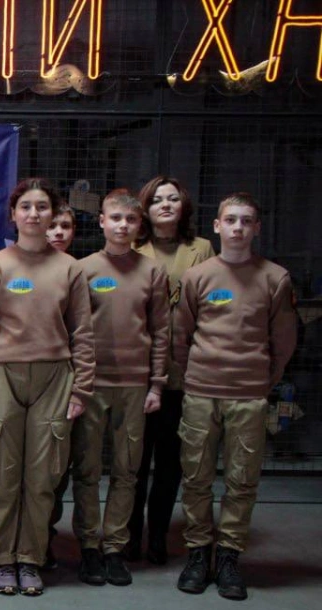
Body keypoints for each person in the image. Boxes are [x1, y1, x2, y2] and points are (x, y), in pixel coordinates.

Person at [0, 177, 94, 597]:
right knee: (2, 475)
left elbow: (83, 333)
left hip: (55, 379)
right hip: (2, 376)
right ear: (13, 214)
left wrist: (81, 389)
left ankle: (30, 559)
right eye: (26, 207)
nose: (34, 214)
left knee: (42, 476)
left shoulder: (70, 268)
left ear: (53, 214)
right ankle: (4, 559)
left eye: (42, 207)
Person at [173, 192, 296, 601]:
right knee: (196, 478)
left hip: (249, 395)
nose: (238, 228)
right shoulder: (197, 276)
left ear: (256, 228)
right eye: (231, 220)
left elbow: (283, 340)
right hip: (201, 392)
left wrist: (262, 381)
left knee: (242, 480)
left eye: (246, 221)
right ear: (217, 226)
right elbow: (180, 334)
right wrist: (194, 373)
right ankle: (198, 553)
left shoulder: (275, 278)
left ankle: (228, 557)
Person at [69, 190, 169, 588]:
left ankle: (114, 547)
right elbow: (74, 330)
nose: (122, 226)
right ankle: (89, 546)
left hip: (134, 385)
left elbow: (161, 331)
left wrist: (156, 384)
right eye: (115, 218)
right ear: (102, 221)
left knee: (127, 470)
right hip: (92, 385)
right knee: (87, 469)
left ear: (139, 225)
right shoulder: (83, 269)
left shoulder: (152, 271)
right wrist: (78, 383)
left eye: (130, 220)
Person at [128, 176, 216, 564]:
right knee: (133, 461)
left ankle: (159, 535)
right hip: (137, 369)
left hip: (183, 369)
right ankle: (130, 534)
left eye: (173, 199)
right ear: (145, 210)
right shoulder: (132, 247)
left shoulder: (202, 249)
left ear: (184, 206)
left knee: (170, 461)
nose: (165, 205)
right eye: (157, 200)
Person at [44, 203, 78, 567]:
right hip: (33, 382)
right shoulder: (8, 267)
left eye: (65, 226)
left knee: (56, 469)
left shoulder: (77, 272)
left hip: (71, 382)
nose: (57, 232)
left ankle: (45, 537)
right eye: (51, 225)